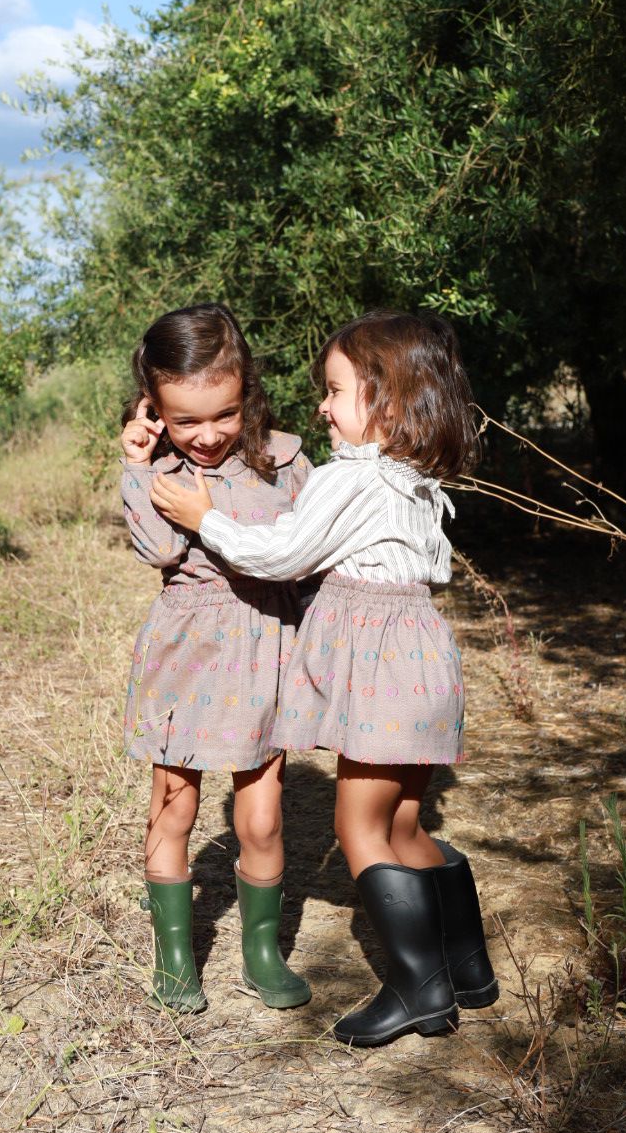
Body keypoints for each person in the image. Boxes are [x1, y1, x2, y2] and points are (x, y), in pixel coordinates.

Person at [149, 310, 497, 1046]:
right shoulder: (415, 481)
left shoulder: (352, 479)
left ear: (388, 405)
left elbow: (281, 556)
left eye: (335, 391)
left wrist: (207, 517)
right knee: (405, 825)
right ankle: (469, 968)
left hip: (382, 675)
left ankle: (418, 992)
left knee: (360, 828)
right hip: (425, 659)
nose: (323, 406)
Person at [119, 303, 311, 1014]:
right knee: (175, 808)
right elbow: (164, 550)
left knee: (261, 819)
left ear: (248, 393)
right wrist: (137, 466)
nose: (205, 436)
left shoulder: (287, 462)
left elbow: (308, 554)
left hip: (265, 648)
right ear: (154, 408)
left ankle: (262, 952)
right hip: (187, 655)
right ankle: (176, 957)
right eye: (184, 420)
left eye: (223, 414)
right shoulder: (157, 466)